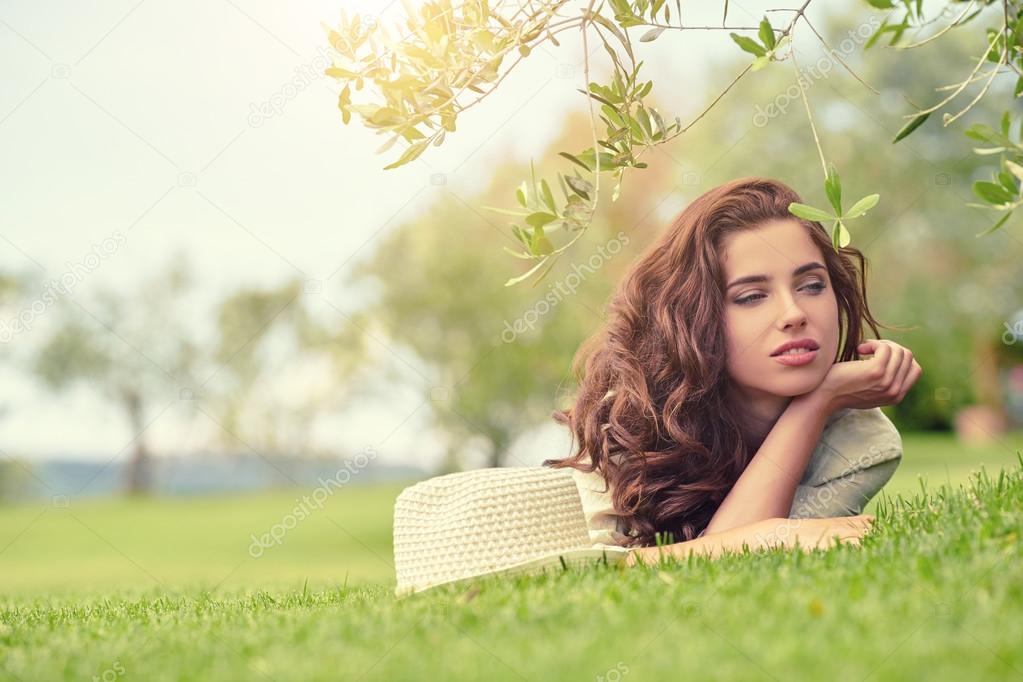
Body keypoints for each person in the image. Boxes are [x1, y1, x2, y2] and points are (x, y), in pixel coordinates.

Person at [541, 177, 922, 567]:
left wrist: (819, 401)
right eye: (752, 296)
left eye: (811, 285)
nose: (794, 314)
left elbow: (755, 557)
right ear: (696, 318)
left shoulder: (861, 442)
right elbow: (611, 568)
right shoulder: (628, 419)